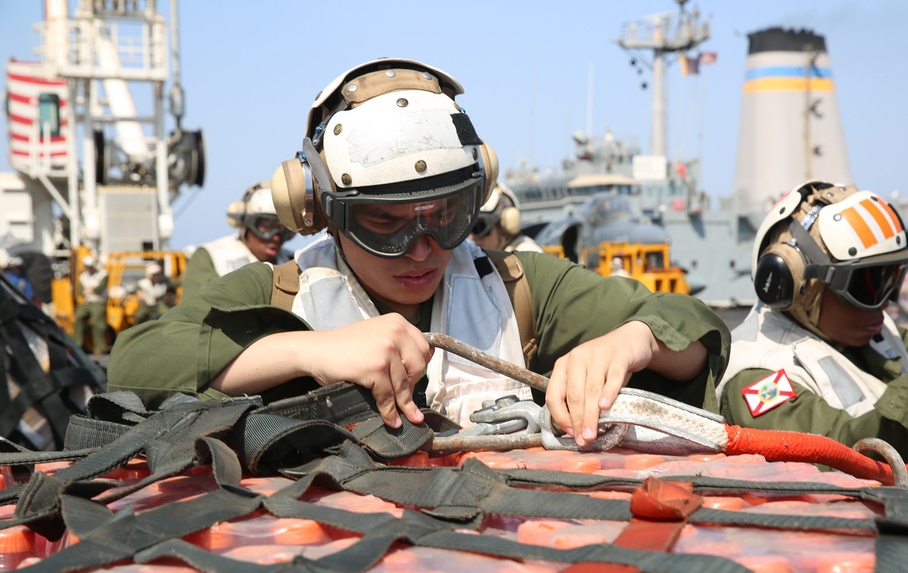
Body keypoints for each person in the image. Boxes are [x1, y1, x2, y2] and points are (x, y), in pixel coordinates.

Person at [108, 58, 729, 447]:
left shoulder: (520, 288)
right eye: (385, 221)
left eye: (446, 216)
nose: (421, 249)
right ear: (318, 208)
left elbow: (693, 335)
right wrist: (307, 349)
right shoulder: (281, 295)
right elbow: (137, 362)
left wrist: (631, 342)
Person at [716, 180, 908, 460]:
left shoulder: (872, 330)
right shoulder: (757, 376)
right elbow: (843, 451)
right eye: (868, 286)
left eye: (893, 279)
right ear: (796, 283)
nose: (885, 301)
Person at [181, 181, 295, 298]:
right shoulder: (212, 257)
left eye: (283, 228)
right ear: (245, 221)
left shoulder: (296, 262)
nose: (276, 237)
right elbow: (196, 311)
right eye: (266, 226)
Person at [469, 182, 544, 253]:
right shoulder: (494, 259)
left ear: (503, 227)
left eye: (479, 228)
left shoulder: (527, 254)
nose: (471, 237)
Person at [73, 255, 109, 355]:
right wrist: (91, 290)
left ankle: (99, 348)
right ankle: (77, 345)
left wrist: (90, 290)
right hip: (87, 302)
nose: (88, 268)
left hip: (99, 302)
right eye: (86, 266)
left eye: (90, 266)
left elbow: (100, 289)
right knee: (78, 318)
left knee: (97, 323)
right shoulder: (83, 276)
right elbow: (80, 291)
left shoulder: (103, 274)